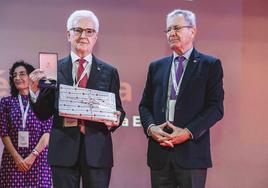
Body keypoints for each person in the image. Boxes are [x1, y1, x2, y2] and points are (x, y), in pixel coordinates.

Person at [29, 10, 125, 188]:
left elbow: (118, 110)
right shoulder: (53, 69)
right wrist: (34, 92)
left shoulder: (109, 72)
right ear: (68, 34)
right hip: (63, 152)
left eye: (89, 31)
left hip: (97, 153)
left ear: (96, 36)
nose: (83, 36)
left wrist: (116, 119)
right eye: (78, 30)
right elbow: (43, 113)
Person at [139, 9, 224, 188]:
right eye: (168, 29)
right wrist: (151, 128)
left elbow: (215, 108)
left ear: (192, 31)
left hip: (192, 154)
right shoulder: (156, 67)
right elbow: (144, 106)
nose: (171, 33)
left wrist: (187, 132)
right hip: (159, 153)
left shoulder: (210, 65)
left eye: (176, 28)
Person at [0, 60, 52, 187]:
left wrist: (33, 155)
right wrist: (16, 158)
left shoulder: (43, 101)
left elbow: (47, 132)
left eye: (22, 74)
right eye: (15, 75)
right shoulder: (6, 102)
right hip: (13, 161)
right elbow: (3, 132)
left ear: (31, 77)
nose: (17, 78)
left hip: (38, 160)